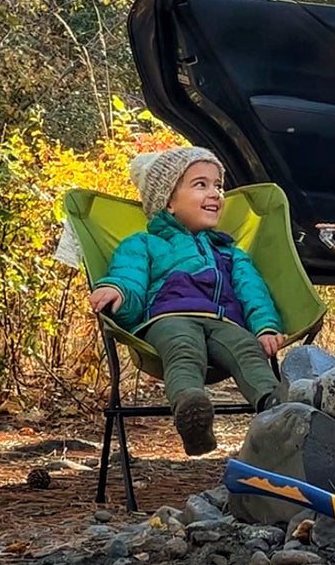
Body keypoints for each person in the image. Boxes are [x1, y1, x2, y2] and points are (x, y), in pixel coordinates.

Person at [89, 147, 286, 456]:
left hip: (223, 321)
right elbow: (129, 275)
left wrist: (264, 327)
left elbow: (252, 291)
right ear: (168, 201)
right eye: (200, 184)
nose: (216, 194)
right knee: (184, 349)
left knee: (247, 349)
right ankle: (191, 409)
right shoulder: (145, 243)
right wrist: (117, 292)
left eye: (218, 185)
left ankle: (280, 411)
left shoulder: (229, 252)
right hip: (169, 318)